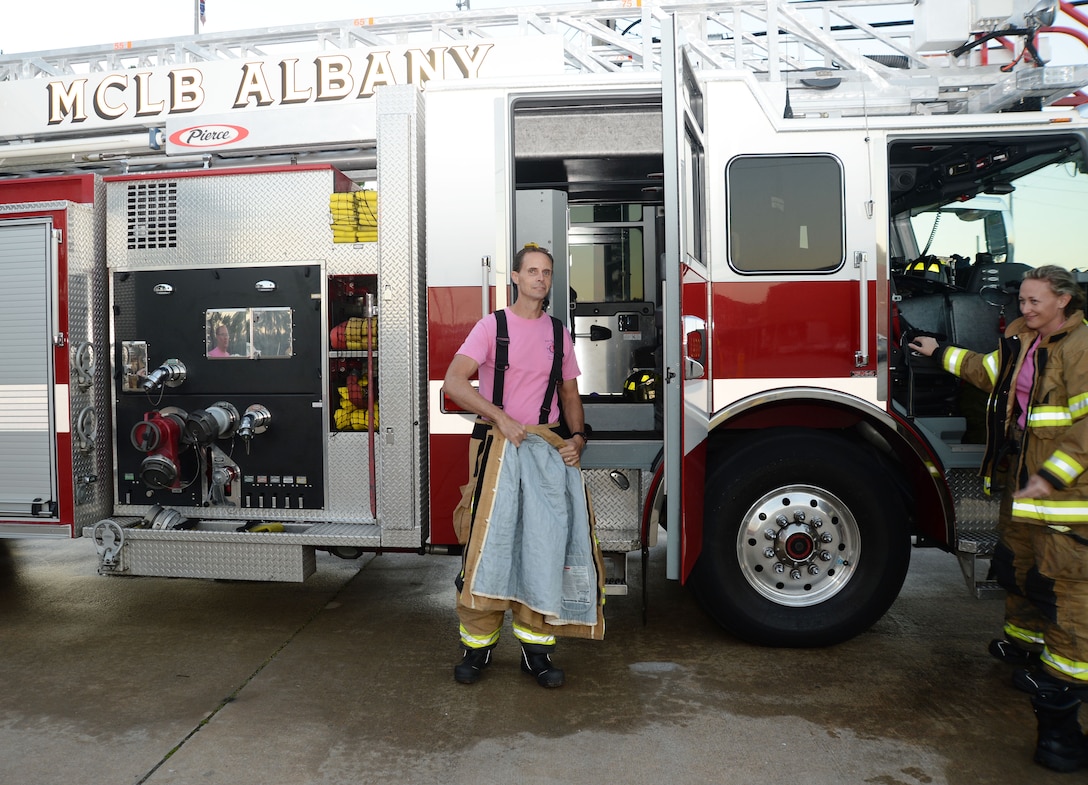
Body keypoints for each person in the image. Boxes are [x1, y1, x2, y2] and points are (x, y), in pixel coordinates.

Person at [909, 265, 1088, 771]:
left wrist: (1052, 476)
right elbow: (990, 373)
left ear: (1064, 302)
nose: (1024, 309)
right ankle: (1024, 655)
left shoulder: (1082, 350)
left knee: (1066, 596)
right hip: (1025, 485)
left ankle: (1062, 728)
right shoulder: (1026, 339)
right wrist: (938, 351)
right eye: (1022, 301)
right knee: (1020, 573)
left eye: (1034, 301)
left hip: (1067, 498)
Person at [443, 245, 603, 688]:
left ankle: (536, 653)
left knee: (542, 546)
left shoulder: (558, 332)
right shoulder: (491, 327)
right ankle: (476, 651)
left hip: (547, 451)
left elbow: (570, 395)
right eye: (531, 271)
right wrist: (501, 418)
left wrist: (577, 439)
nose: (539, 278)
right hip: (497, 447)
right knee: (487, 545)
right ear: (515, 276)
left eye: (546, 272)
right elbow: (454, 382)